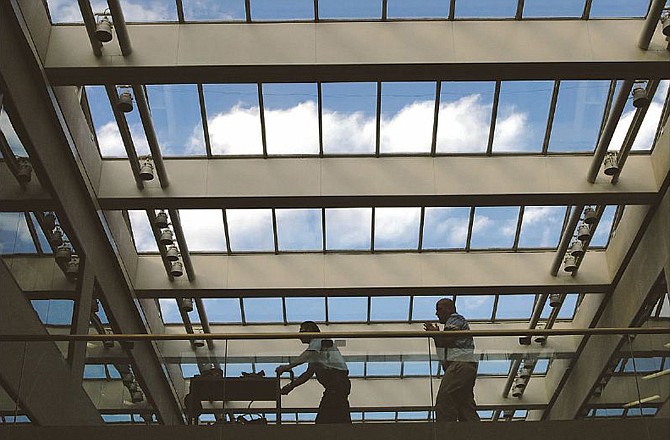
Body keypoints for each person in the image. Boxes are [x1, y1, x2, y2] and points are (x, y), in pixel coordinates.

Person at [275, 321, 351, 424]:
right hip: (338, 385)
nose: (299, 335)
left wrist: (287, 367)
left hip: (336, 384)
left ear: (309, 331)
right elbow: (308, 373)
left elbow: (307, 356)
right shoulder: (319, 351)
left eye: (302, 331)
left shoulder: (317, 339)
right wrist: (291, 386)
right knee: (339, 414)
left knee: (324, 418)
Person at [424, 298, 480, 422]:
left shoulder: (455, 319)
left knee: (444, 400)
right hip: (465, 367)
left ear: (449, 309)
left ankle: (446, 432)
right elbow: (445, 351)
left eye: (439, 309)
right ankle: (474, 432)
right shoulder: (453, 324)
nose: (437, 313)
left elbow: (447, 340)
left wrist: (435, 335)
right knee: (465, 405)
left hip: (460, 365)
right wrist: (436, 336)